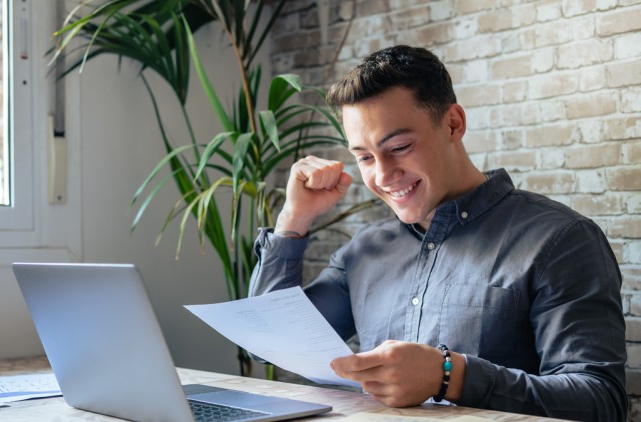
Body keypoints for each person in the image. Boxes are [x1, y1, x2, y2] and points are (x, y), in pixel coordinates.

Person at [248, 45, 627, 420]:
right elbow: (267, 344)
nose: (381, 175)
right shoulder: (364, 251)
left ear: (453, 124)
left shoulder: (561, 240)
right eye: (364, 156)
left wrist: (448, 375)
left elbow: (600, 402)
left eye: (399, 147)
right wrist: (293, 220)